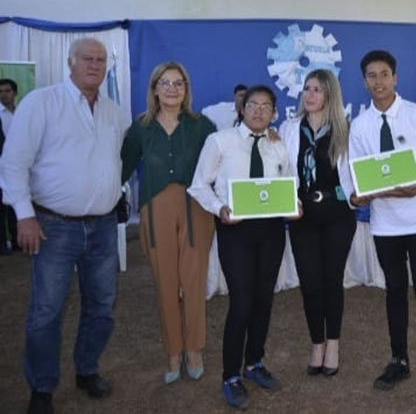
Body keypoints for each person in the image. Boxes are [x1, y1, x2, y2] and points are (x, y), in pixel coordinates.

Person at [0, 38, 129, 414]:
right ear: (69, 63)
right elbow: (13, 162)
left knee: (102, 306)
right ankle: (42, 386)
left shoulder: (114, 113)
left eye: (100, 60)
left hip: (103, 226)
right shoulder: (40, 103)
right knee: (46, 311)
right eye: (87, 59)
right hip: (53, 226)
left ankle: (87, 369)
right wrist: (24, 214)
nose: (94, 65)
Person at [189, 84, 298, 409]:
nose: (259, 111)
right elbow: (198, 185)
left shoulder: (277, 146)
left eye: (266, 106)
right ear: (242, 108)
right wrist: (220, 208)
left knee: (264, 299)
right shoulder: (219, 141)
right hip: (235, 231)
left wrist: (294, 205)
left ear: (274, 113)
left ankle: (254, 364)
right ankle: (231, 376)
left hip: (271, 231)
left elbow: (287, 184)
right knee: (241, 302)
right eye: (253, 104)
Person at [348, 50, 416, 402]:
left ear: (396, 78)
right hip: (385, 224)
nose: (379, 81)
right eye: (371, 76)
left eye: (385, 74)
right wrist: (359, 195)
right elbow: (360, 174)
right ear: (364, 81)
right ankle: (399, 360)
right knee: (393, 291)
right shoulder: (360, 126)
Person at [121, 62, 216, 384]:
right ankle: (173, 351)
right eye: (165, 83)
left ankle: (194, 349)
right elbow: (121, 167)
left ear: (187, 89)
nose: (172, 89)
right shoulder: (141, 127)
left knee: (192, 282)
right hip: (156, 209)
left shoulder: (202, 125)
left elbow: (225, 161)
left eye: (179, 83)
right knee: (165, 284)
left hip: (196, 210)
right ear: (154, 88)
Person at [278, 69, 356, 377]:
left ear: (330, 95)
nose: (310, 95)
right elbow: (280, 167)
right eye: (307, 88)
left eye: (318, 90)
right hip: (303, 215)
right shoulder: (287, 128)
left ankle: (333, 344)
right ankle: (316, 343)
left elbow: (360, 171)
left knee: (331, 281)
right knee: (310, 282)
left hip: (338, 215)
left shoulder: (346, 130)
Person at [0, 78, 18, 253]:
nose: (4, 94)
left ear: (14, 93)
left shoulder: (22, 112)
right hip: (1, 166)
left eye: (7, 91)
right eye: (1, 91)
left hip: (19, 167)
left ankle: (17, 241)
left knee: (17, 205)